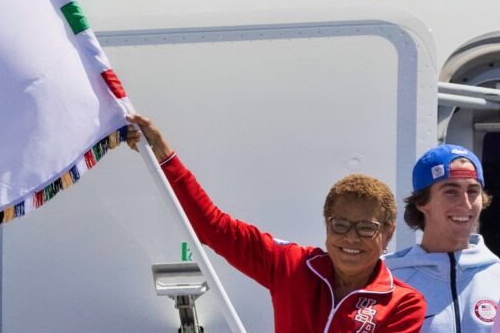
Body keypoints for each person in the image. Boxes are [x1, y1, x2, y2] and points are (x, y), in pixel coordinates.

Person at [126, 113, 426, 331]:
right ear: (326, 226)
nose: (351, 238)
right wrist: (164, 157)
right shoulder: (290, 265)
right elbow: (211, 227)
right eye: (341, 225)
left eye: (365, 228)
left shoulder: (404, 304)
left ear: (388, 233)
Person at [384, 144, 500, 331]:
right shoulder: (387, 279)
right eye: (451, 191)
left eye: (472, 191)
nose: (465, 203)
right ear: (422, 202)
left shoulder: (496, 276)